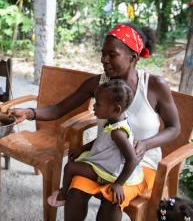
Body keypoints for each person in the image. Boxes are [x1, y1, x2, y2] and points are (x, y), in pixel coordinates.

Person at [9, 23, 180, 221]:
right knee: (75, 190)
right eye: (102, 53)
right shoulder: (98, 83)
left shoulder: (154, 86)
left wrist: (145, 144)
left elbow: (174, 128)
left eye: (112, 54)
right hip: (102, 158)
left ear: (133, 57)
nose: (103, 60)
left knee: (112, 201)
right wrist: (29, 112)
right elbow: (58, 109)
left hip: (140, 165)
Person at [48, 79, 143, 215]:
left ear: (116, 109)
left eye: (97, 104)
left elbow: (132, 160)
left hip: (109, 172)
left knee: (70, 167)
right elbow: (102, 139)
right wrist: (82, 148)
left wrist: (118, 184)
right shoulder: (114, 120)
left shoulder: (118, 133)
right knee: (75, 163)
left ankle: (63, 194)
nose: (93, 107)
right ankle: (65, 193)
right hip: (106, 163)